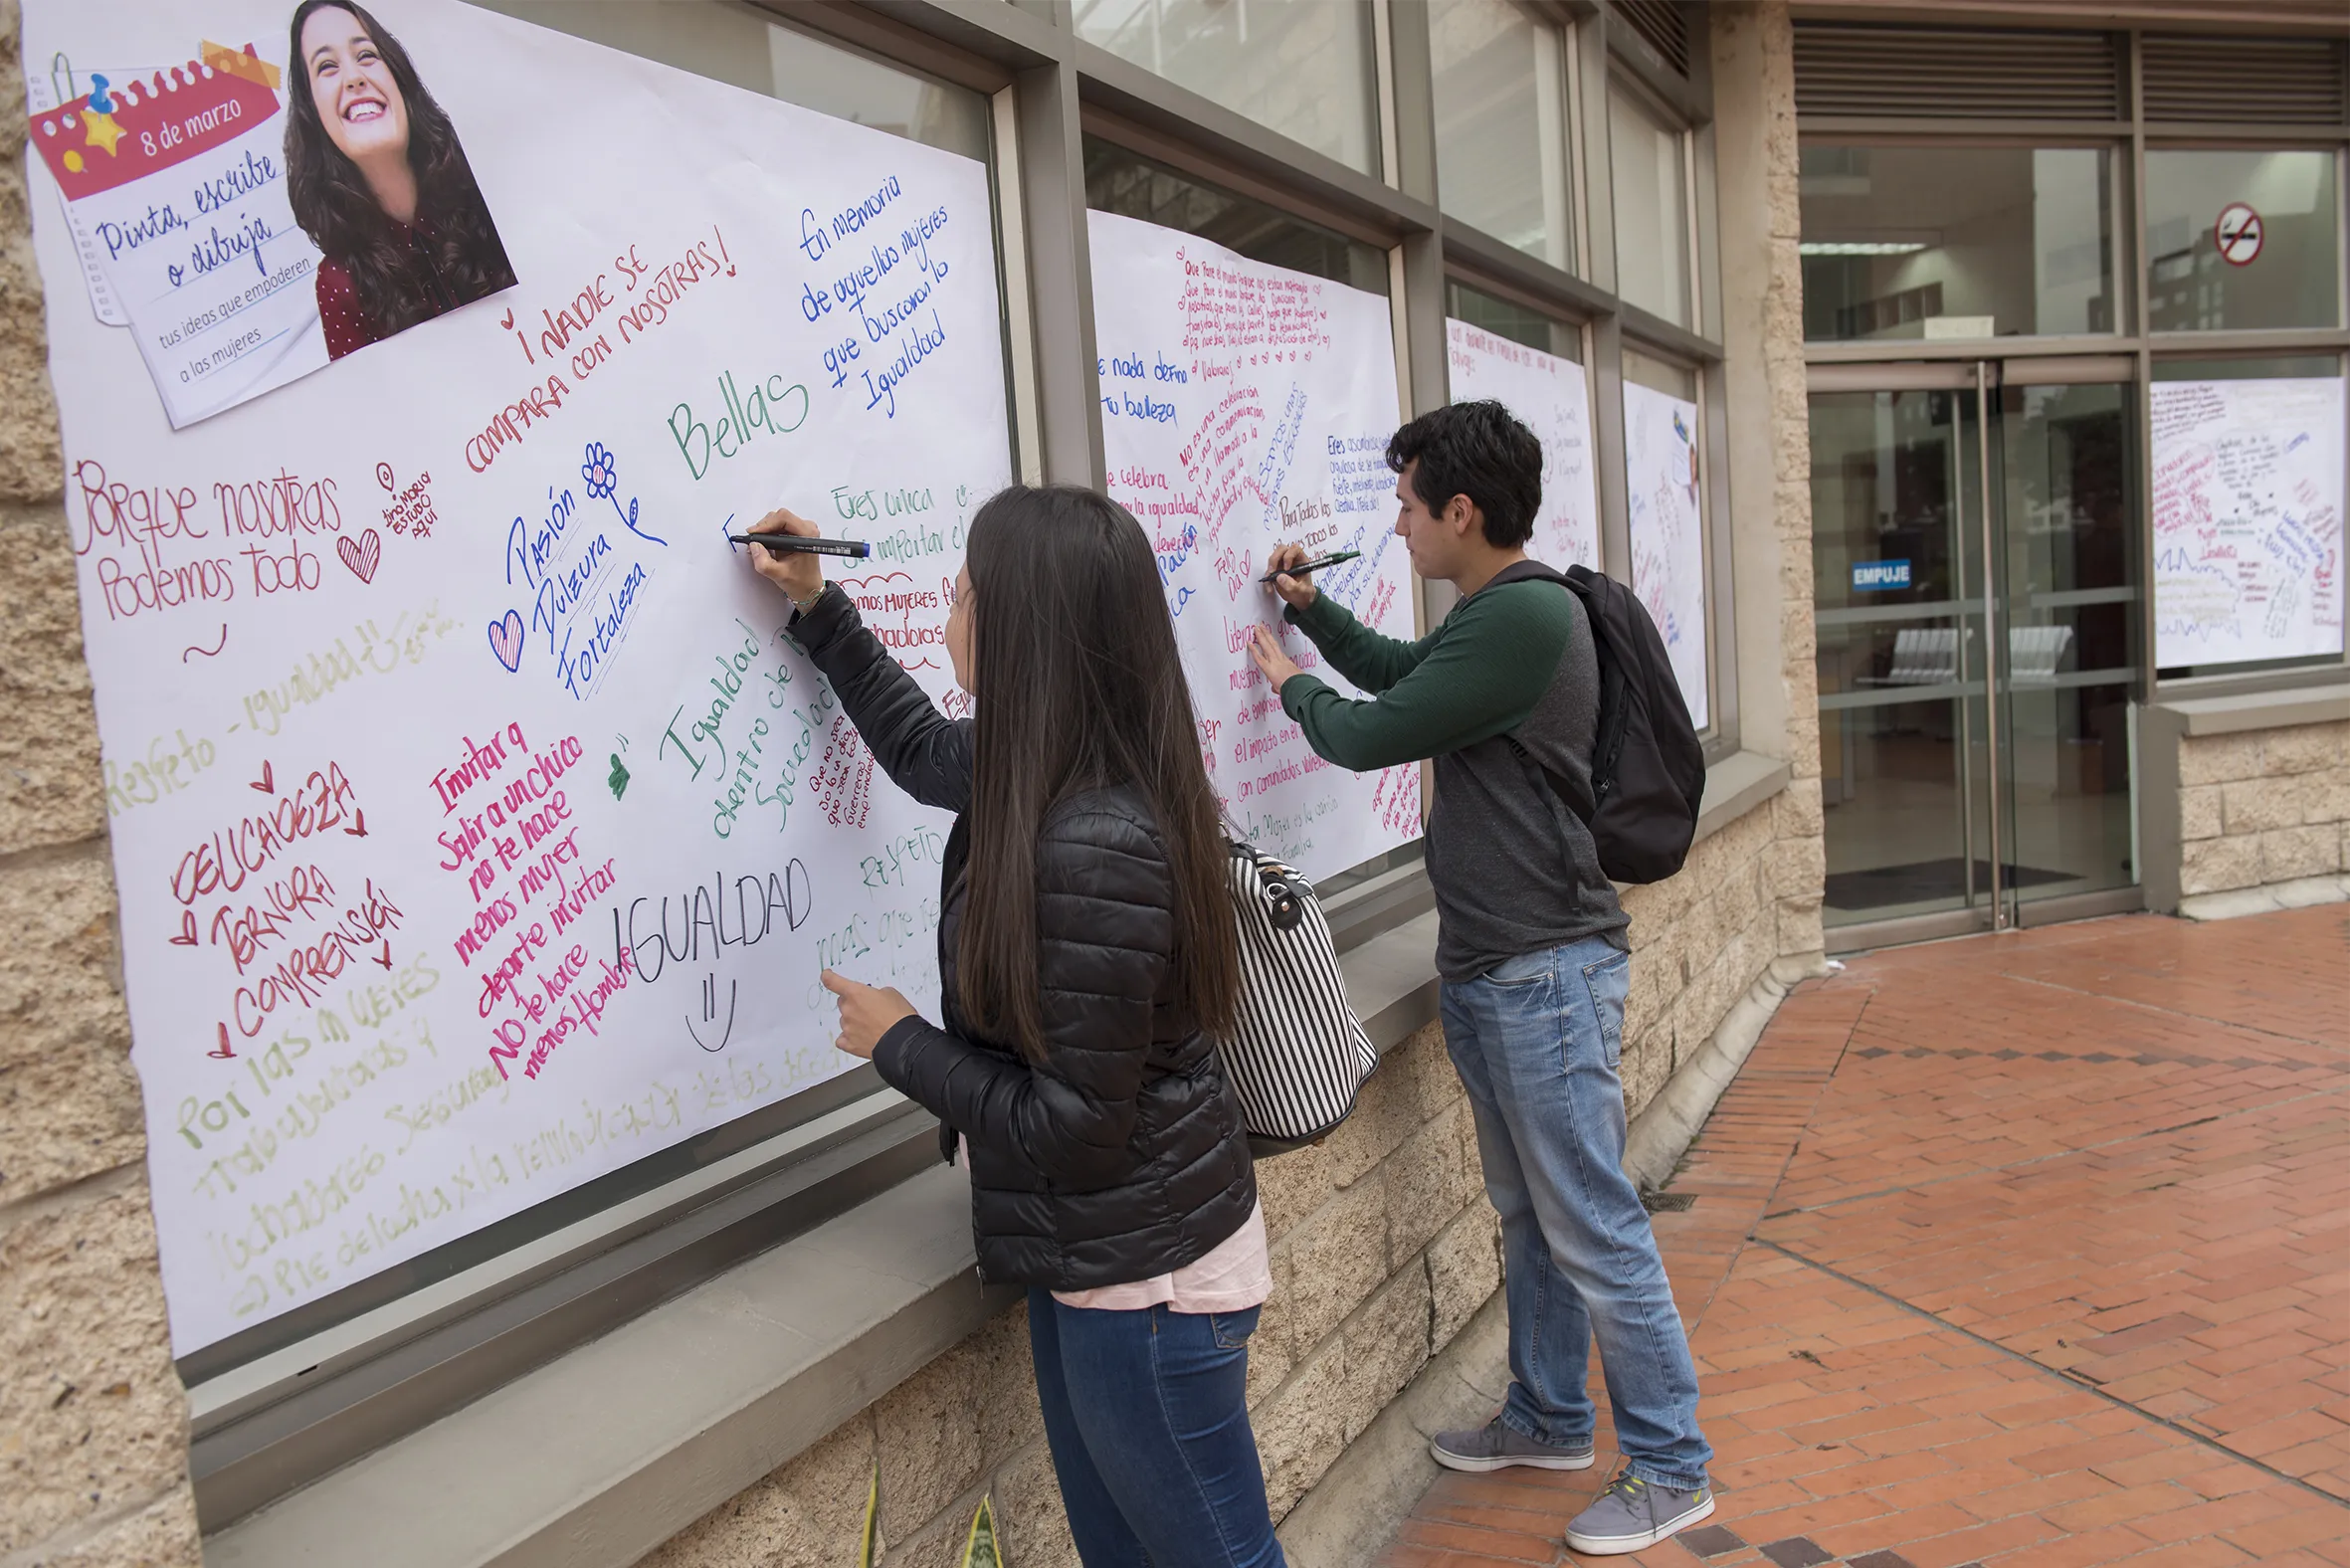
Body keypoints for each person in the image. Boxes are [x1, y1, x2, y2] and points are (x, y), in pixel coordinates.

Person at [745, 489, 1286, 1568]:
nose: (949, 615)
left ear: (1024, 633)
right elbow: (915, 748)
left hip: (1149, 1288)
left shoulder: (1092, 840)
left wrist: (902, 1043)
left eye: (961, 597)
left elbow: (1078, 1126)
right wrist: (816, 603)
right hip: (1102, 1258)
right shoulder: (1054, 760)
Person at [1245, 401, 1714, 1557]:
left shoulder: (1524, 616)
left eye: (1407, 504)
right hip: (1502, 966)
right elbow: (1407, 675)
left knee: (1590, 1222)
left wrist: (1286, 679)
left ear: (1461, 510)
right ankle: (1548, 1416)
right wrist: (1313, 613)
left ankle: (1671, 1466)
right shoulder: (1493, 614)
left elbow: (1370, 732)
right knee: (1535, 1216)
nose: (1396, 524)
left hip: (1544, 970)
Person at [285, 0, 515, 360]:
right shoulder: (338, 283)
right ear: (312, 113)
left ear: (399, 76)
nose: (354, 78)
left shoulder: (486, 187)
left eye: (366, 55)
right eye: (327, 66)